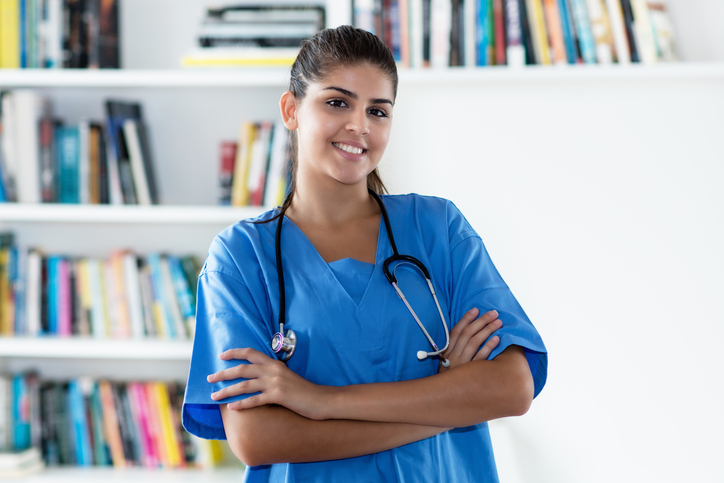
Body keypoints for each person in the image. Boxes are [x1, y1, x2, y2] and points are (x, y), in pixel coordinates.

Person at [182, 25, 547, 482]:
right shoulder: (241, 257)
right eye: (337, 102)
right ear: (291, 109)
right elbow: (257, 438)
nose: (359, 125)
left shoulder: (437, 229)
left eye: (378, 111)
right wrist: (446, 400)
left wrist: (319, 402)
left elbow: (513, 386)